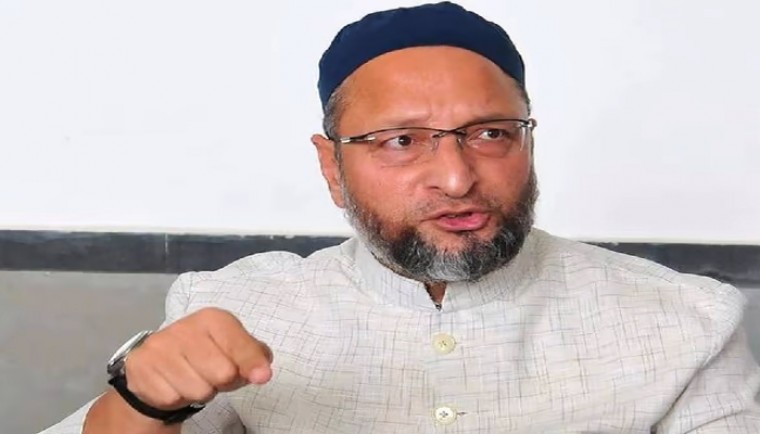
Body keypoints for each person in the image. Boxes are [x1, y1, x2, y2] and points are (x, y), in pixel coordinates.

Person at [41, 2, 760, 433]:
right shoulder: (237, 306)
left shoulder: (688, 322)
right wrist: (143, 402)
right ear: (332, 167)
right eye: (400, 141)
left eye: (490, 133)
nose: (456, 177)